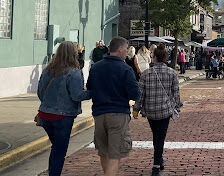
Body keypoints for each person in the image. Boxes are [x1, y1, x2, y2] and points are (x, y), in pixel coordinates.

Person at [87, 37, 141, 176]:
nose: (127, 52)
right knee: (114, 155)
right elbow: (135, 94)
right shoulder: (125, 69)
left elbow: (89, 87)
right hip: (118, 114)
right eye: (126, 49)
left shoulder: (96, 67)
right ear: (120, 49)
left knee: (103, 152)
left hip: (99, 114)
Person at [37, 41, 91, 176]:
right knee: (59, 151)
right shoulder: (74, 72)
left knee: (56, 148)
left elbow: (40, 93)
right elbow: (77, 95)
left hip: (45, 115)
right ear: (74, 54)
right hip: (63, 116)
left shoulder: (47, 70)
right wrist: (93, 92)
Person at [133, 44, 180, 175]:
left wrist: (136, 109)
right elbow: (176, 93)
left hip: (150, 110)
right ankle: (156, 165)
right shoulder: (172, 73)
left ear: (153, 58)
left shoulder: (146, 74)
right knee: (161, 137)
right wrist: (176, 107)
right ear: (165, 58)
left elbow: (140, 94)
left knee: (156, 136)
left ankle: (159, 159)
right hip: (165, 110)